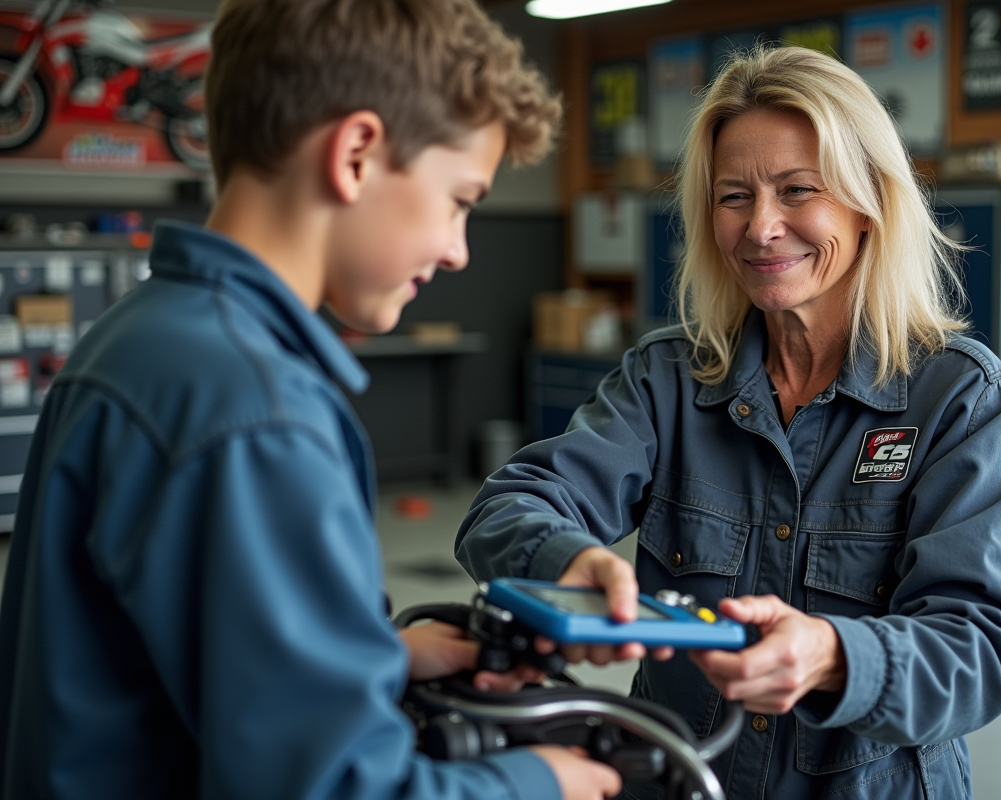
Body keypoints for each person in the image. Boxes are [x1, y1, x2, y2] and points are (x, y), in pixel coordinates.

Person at [0, 1, 624, 799]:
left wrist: (374, 653)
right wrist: (542, 783)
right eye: (460, 201)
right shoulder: (256, 414)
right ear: (357, 153)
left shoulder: (139, 338)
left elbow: (154, 656)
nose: (460, 250)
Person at [456, 46, 1001, 800]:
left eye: (797, 190)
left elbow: (981, 650)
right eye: (734, 197)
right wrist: (570, 562)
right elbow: (503, 508)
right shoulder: (667, 377)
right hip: (681, 780)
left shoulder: (959, 399)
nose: (762, 227)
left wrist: (833, 655)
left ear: (869, 204)